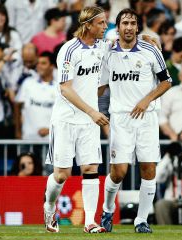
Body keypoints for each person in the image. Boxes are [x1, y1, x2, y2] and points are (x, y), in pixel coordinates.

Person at [99, 8, 172, 233]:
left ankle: (142, 220)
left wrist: (146, 100)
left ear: (138, 27)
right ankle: (107, 210)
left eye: (132, 23)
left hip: (147, 118)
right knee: (119, 171)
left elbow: (166, 81)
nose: (129, 27)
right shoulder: (108, 53)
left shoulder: (150, 49)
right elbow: (100, 87)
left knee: (148, 168)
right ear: (118, 27)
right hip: (120, 119)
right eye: (124, 23)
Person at [43, 6, 109, 234]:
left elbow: (122, 44)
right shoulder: (69, 50)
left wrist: (146, 38)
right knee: (62, 174)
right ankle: (49, 207)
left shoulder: (102, 46)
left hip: (89, 122)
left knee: (91, 168)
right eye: (101, 23)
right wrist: (92, 110)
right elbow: (65, 89)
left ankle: (90, 221)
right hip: (66, 120)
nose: (105, 27)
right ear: (88, 24)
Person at [14, 51, 58, 141]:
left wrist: (51, 130)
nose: (39, 66)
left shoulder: (59, 87)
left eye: (43, 63)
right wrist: (18, 131)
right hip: (28, 137)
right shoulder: (28, 83)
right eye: (38, 63)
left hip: (51, 140)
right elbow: (17, 106)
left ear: (52, 66)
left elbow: (65, 115)